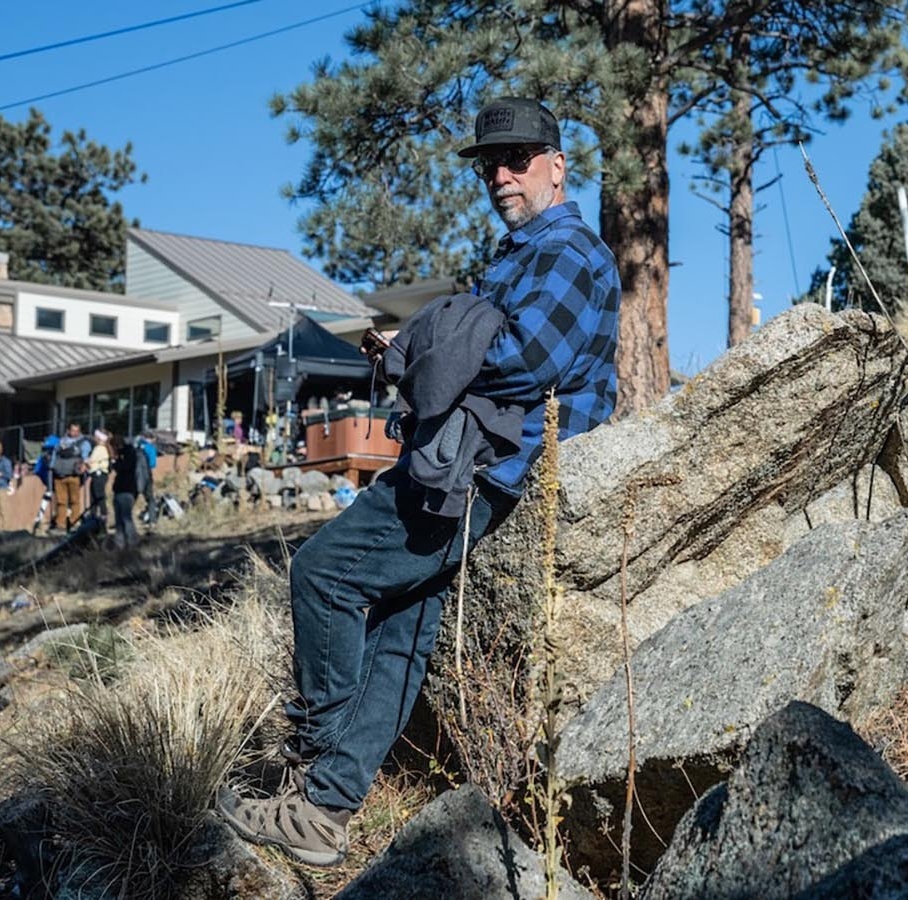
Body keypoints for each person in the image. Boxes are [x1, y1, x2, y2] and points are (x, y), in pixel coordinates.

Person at [219, 96, 621, 867]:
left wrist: (428, 337)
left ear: (557, 166)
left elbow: (521, 360)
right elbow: (484, 349)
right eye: (489, 165)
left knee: (323, 575)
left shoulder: (568, 251)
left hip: (482, 470)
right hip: (470, 464)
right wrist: (437, 341)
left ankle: (313, 768)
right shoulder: (524, 252)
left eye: (517, 160)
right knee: (403, 629)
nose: (500, 176)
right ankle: (323, 815)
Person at [110, 436, 151, 549]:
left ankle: (132, 542)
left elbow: (123, 468)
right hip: (122, 490)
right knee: (120, 520)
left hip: (126, 489)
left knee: (126, 519)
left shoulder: (129, 455)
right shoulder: (127, 454)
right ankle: (121, 545)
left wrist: (115, 461)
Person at [50, 423, 90, 532]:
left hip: (74, 475)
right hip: (59, 475)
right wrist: (52, 466)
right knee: (61, 501)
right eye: (72, 430)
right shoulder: (60, 442)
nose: (74, 433)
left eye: (77, 430)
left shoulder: (83, 443)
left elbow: (85, 456)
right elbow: (54, 454)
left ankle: (74, 523)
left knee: (74, 500)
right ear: (68, 430)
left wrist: (84, 465)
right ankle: (60, 524)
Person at [86, 429, 112, 525]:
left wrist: (85, 462)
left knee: (98, 496)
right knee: (94, 496)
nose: (94, 438)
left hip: (98, 475)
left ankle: (102, 515)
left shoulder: (99, 448)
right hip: (98, 475)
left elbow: (91, 460)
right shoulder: (102, 448)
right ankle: (94, 516)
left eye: (96, 436)